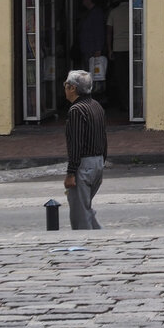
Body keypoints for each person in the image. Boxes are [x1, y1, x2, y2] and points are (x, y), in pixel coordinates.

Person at [63, 69, 108, 230]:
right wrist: (101, 163)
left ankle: (88, 247)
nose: (65, 89)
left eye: (66, 85)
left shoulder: (77, 110)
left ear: (72, 88)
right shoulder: (96, 106)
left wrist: (71, 173)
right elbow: (104, 138)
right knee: (86, 210)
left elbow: (76, 144)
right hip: (97, 163)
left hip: (84, 165)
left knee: (80, 217)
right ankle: (102, 239)